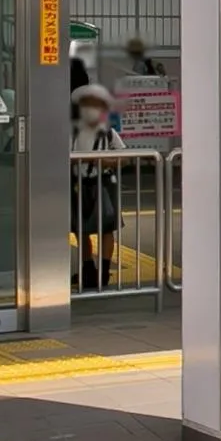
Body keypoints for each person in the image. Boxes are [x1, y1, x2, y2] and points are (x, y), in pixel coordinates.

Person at [71, 84, 126, 292]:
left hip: (102, 184)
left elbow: (123, 157)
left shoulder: (108, 133)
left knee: (107, 228)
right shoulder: (72, 133)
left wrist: (107, 162)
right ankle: (87, 271)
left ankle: (103, 272)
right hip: (78, 184)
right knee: (80, 229)